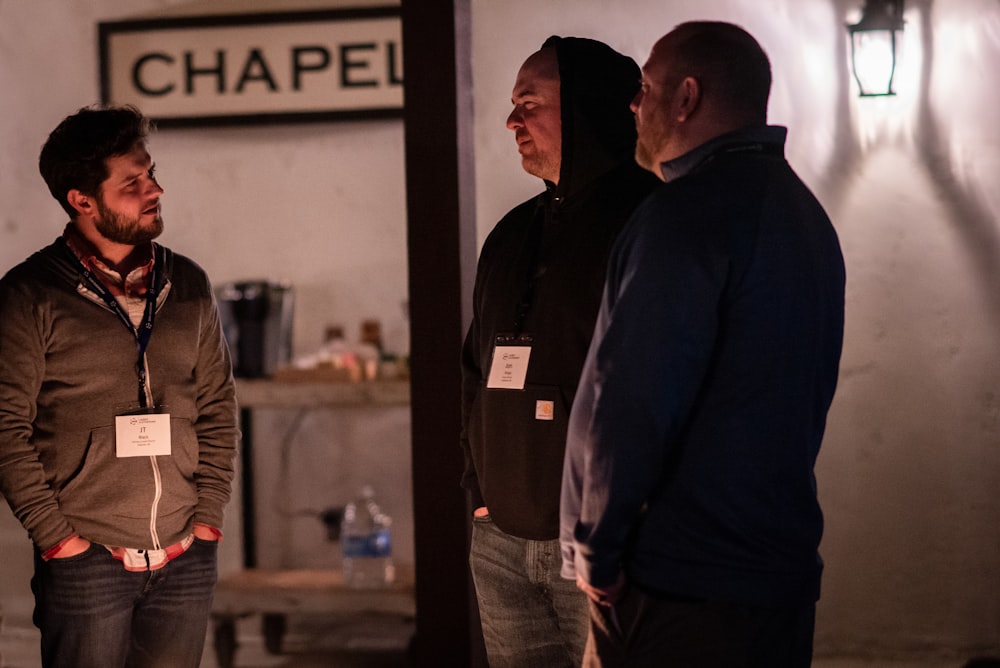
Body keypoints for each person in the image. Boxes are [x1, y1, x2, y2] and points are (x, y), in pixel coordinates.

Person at [560, 22, 846, 668]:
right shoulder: (803, 215)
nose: (634, 106)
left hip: (678, 584)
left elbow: (631, 397)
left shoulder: (681, 215)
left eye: (647, 88)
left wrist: (596, 551)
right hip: (774, 571)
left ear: (685, 97)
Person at [0, 105, 239, 668]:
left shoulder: (188, 283)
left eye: (150, 172)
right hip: (88, 563)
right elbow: (5, 428)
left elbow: (218, 406)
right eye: (132, 181)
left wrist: (207, 520)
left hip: (185, 555)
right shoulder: (30, 295)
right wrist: (59, 541)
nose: (154, 188)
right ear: (82, 200)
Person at [460, 36, 660, 667]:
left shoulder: (650, 222)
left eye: (529, 103)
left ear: (586, 108)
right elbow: (474, 373)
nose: (511, 121)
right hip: (501, 538)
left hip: (603, 548)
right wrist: (481, 494)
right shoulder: (511, 232)